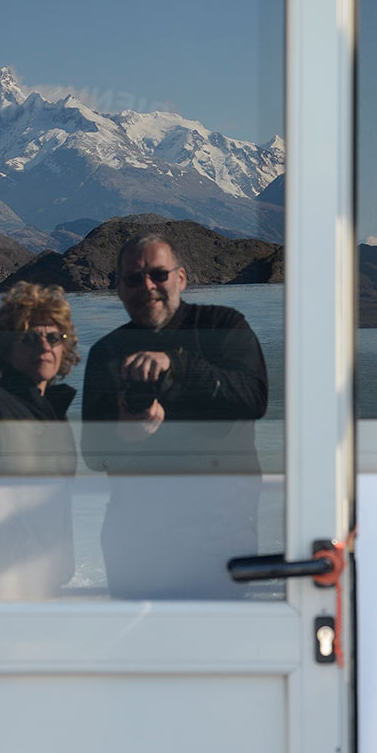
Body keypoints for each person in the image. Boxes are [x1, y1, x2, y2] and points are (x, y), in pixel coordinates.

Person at [81, 232, 268, 599]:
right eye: (133, 279)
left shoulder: (223, 327)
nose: (147, 286)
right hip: (135, 536)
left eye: (158, 275)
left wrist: (178, 366)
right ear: (119, 288)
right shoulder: (106, 352)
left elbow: (253, 399)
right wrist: (125, 435)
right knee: (139, 653)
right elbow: (94, 455)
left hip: (221, 531)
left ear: (181, 278)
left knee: (219, 646)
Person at [0, 282, 79, 599]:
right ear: (6, 348)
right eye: (30, 338)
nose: (44, 346)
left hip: (41, 580)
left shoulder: (51, 412)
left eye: (54, 337)